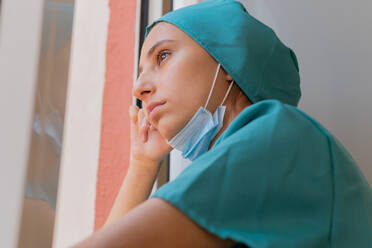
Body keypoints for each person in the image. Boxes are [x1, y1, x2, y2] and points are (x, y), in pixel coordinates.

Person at [73, 0, 372, 247]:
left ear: (228, 61)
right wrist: (142, 164)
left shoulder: (274, 136)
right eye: (141, 72)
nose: (138, 87)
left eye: (163, 56)